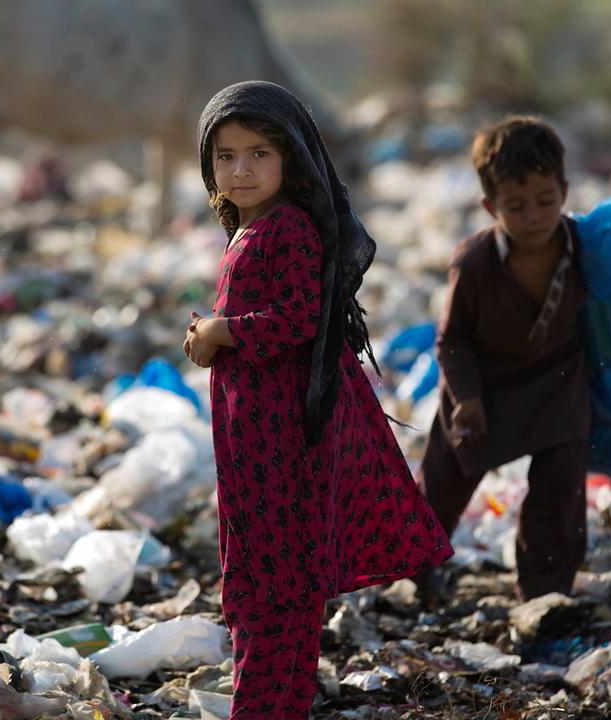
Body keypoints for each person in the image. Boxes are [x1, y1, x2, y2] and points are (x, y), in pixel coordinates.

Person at [183, 81, 453, 719]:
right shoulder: (253, 227)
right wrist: (211, 336)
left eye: (258, 154)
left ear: (292, 160)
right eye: (225, 156)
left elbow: (300, 319)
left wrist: (225, 331)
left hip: (286, 436)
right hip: (253, 438)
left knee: (279, 583)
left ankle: (268, 706)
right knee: (260, 574)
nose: (240, 169)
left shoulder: (290, 229)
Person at [415, 115, 591, 603]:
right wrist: (466, 400)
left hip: (558, 383)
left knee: (560, 491)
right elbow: (452, 340)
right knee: (442, 487)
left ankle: (545, 592)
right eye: (516, 206)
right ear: (491, 206)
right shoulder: (473, 265)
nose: (534, 216)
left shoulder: (585, 250)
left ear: (565, 191)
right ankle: (413, 572)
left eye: (545, 201)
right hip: (483, 388)